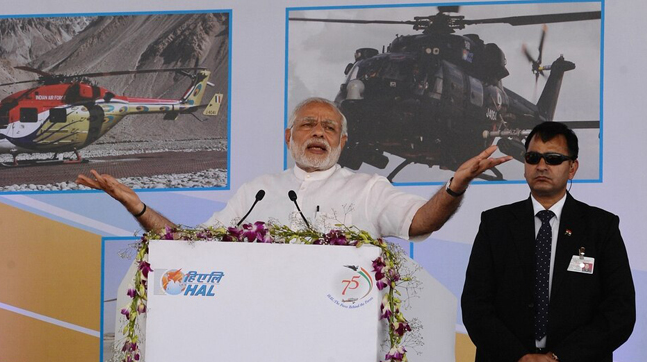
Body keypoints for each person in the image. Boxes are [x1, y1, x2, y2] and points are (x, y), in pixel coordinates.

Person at [76, 97, 511, 239]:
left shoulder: (368, 187)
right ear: (289, 137)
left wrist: (454, 185)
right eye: (307, 125)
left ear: (344, 142)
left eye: (329, 127)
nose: (317, 133)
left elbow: (420, 223)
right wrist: (138, 207)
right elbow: (194, 245)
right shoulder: (259, 190)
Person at [461, 121, 635, 362]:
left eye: (553, 159)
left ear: (572, 168)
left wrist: (557, 360)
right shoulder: (495, 225)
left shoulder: (601, 227)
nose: (542, 166)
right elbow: (476, 307)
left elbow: (619, 313)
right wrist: (520, 359)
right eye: (533, 158)